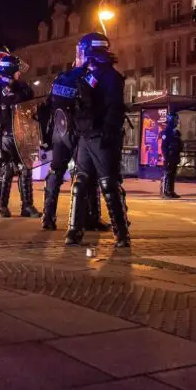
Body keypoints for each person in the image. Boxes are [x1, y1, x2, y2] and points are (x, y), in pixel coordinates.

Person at [66, 32, 131, 247]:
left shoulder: (110, 76)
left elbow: (115, 108)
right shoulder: (84, 75)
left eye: (80, 52)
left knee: (108, 185)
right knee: (80, 182)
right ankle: (74, 231)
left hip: (102, 136)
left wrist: (108, 131)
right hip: (86, 135)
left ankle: (121, 233)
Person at [39, 52, 104, 232]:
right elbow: (93, 104)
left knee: (55, 172)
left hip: (59, 131)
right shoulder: (88, 77)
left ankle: (48, 217)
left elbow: (49, 104)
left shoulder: (60, 78)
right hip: (79, 131)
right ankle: (88, 218)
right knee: (86, 173)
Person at [0, 52, 42, 218]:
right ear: (10, 71)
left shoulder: (24, 88)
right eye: (17, 70)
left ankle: (27, 206)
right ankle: (2, 206)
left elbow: (31, 111)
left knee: (26, 169)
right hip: (4, 136)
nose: (19, 73)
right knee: (6, 170)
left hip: (23, 135)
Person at [159, 113, 182, 199]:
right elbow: (164, 146)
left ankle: (171, 191)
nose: (177, 122)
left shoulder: (175, 132)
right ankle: (165, 192)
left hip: (174, 156)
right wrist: (166, 157)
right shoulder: (167, 131)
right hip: (169, 156)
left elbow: (179, 144)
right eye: (176, 120)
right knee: (167, 174)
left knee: (172, 174)